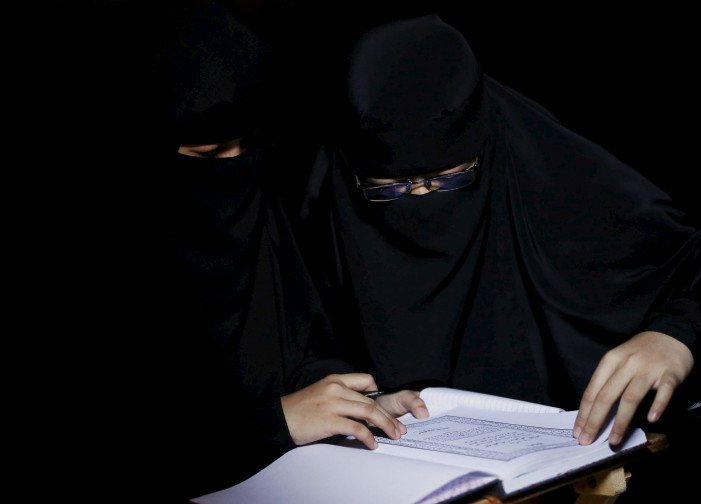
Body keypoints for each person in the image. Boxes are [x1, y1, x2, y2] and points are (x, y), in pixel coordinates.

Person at [295, 13, 701, 501]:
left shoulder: (552, 175)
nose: (421, 198)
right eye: (391, 187)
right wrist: (362, 398)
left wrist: (675, 333)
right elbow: (294, 346)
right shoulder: (317, 205)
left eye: (447, 180)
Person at [52, 2, 426, 503]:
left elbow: (292, 345)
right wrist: (273, 423)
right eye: (207, 156)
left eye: (246, 146)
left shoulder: (264, 213)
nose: (234, 168)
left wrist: (358, 401)